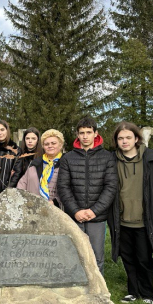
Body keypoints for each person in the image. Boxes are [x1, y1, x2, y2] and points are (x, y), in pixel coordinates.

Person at [109, 122, 153, 304]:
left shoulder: (151, 158)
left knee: (144, 258)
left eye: (128, 137)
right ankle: (133, 291)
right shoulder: (112, 160)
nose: (124, 141)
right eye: (120, 138)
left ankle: (147, 293)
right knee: (127, 257)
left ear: (136, 138)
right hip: (122, 219)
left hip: (144, 220)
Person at [57, 116, 117, 275]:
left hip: (97, 216)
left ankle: (98, 293)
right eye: (81, 133)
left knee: (96, 257)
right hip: (75, 215)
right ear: (77, 134)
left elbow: (110, 187)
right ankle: (78, 292)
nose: (85, 136)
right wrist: (76, 211)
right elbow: (63, 187)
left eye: (88, 132)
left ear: (95, 133)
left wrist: (94, 210)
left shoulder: (107, 157)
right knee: (74, 255)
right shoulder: (68, 158)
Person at [16, 129, 64, 207]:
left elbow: (69, 189)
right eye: (46, 144)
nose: (50, 146)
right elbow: (22, 184)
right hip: (32, 207)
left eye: (53, 143)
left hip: (56, 209)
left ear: (60, 144)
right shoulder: (35, 163)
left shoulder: (65, 163)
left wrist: (55, 202)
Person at [0, 120, 18, 196]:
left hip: (10, 194)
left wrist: (7, 192)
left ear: (7, 130)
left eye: (2, 130)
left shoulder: (15, 150)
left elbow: (17, 173)